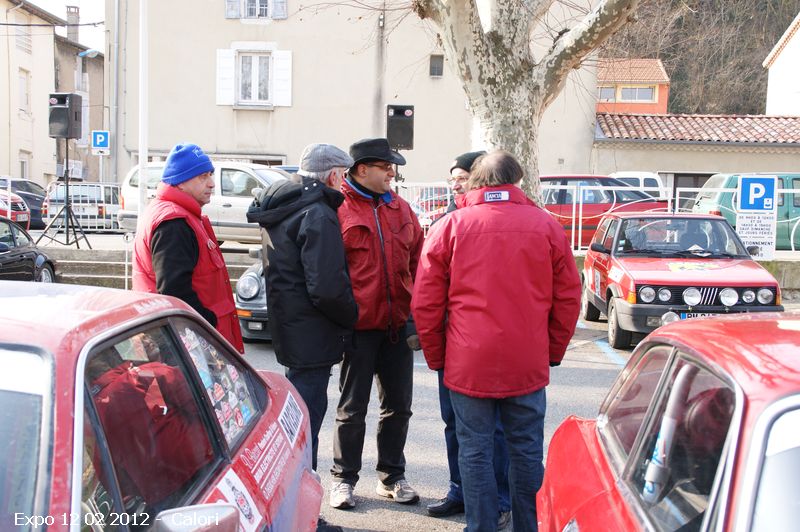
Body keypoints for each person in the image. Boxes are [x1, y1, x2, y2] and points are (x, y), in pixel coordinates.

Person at [412, 150, 581, 532]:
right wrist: (551, 351)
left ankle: (481, 526)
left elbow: (425, 301)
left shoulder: (450, 226)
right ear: (516, 181)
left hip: (467, 361)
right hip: (526, 360)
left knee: (474, 450)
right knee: (526, 451)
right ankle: (527, 525)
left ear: (476, 182)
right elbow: (569, 297)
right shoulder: (547, 226)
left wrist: (439, 357)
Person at [246, 143, 358, 472]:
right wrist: (351, 316)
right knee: (305, 426)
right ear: (335, 176)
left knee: (297, 420)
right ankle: (302, 507)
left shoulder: (287, 204)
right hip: (313, 333)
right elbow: (326, 286)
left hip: (291, 327)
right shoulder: (318, 213)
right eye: (345, 175)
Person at [417, 150, 512, 529]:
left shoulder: (502, 223)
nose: (455, 183)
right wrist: (435, 352)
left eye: (462, 176)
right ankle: (461, 491)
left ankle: (499, 500)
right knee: (454, 424)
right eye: (452, 176)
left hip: (491, 349)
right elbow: (428, 295)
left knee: (498, 433)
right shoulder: (446, 222)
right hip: (454, 348)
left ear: (480, 179)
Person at [329, 138, 425, 510]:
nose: (392, 173)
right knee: (352, 408)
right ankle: (343, 479)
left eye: (393, 167)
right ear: (361, 169)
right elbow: (331, 272)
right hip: (359, 328)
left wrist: (414, 313)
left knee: (399, 407)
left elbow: (419, 262)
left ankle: (391, 476)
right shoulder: (338, 209)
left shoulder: (401, 209)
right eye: (386, 167)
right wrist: (344, 319)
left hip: (397, 327)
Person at [132, 143, 244, 353]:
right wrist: (208, 325)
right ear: (180, 182)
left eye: (210, 174)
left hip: (192, 338)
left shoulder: (183, 216)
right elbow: (174, 292)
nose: (211, 183)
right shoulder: (173, 223)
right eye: (202, 176)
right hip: (191, 344)